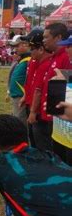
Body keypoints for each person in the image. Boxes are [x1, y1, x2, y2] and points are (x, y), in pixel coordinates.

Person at [36, 23, 71, 153]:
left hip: (64, 122)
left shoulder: (64, 57)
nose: (66, 49)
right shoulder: (54, 56)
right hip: (56, 119)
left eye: (69, 46)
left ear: (58, 37)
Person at [7, 35, 31, 126]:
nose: (14, 49)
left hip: (21, 97)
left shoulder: (29, 60)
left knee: (21, 123)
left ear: (26, 45)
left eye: (17, 46)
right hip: (16, 96)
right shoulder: (22, 60)